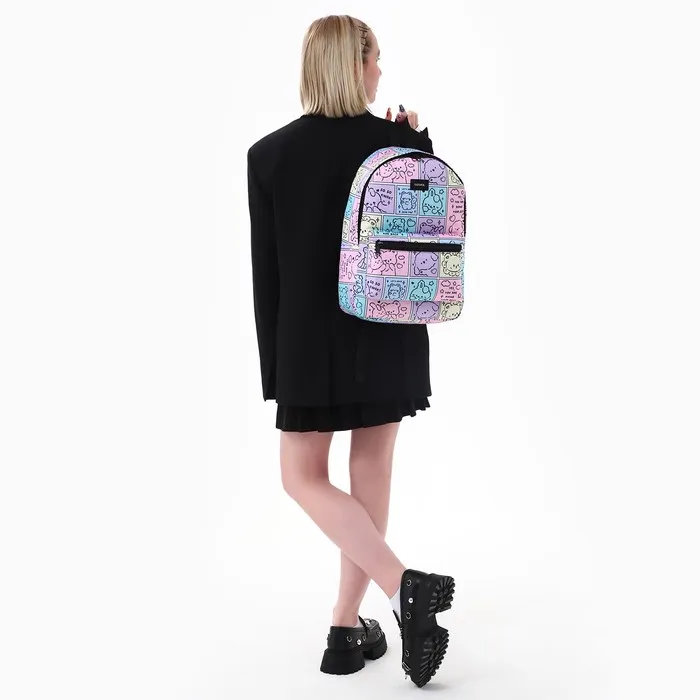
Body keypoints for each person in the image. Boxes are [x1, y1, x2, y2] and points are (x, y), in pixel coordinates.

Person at [246, 15, 455, 688]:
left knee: (301, 477)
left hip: (307, 344)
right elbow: (425, 242)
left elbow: (268, 277)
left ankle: (347, 626)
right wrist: (415, 144)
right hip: (387, 328)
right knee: (371, 470)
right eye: (375, 59)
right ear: (352, 64)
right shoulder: (396, 145)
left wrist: (275, 369)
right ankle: (392, 592)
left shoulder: (268, 155)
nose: (380, 71)